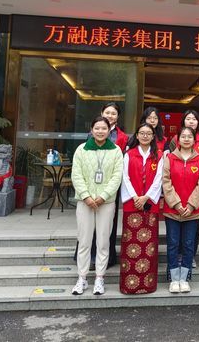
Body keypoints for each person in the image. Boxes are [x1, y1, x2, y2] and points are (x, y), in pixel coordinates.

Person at [70, 117, 123, 296]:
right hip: (85, 202)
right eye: (97, 128)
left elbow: (117, 176)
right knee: (84, 241)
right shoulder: (81, 149)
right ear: (91, 130)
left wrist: (103, 196)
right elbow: (76, 175)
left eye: (104, 128)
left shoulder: (116, 151)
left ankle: (100, 278)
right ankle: (82, 278)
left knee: (103, 241)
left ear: (109, 131)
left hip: (105, 203)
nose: (100, 131)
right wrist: (86, 196)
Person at [74, 102, 128, 270]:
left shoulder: (122, 137)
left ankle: (105, 261)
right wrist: (86, 195)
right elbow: (79, 170)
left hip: (109, 191)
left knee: (106, 230)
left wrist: (105, 194)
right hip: (88, 191)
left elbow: (119, 169)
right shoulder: (88, 140)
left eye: (113, 113)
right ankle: (86, 261)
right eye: (107, 112)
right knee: (85, 231)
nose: (110, 115)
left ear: (118, 117)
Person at [162, 126, 199, 293]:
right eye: (183, 136)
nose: (186, 139)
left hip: (192, 212)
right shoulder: (170, 158)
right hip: (172, 211)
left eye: (189, 136)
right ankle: (174, 279)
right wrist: (176, 203)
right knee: (173, 244)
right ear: (177, 139)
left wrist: (191, 205)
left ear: (194, 140)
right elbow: (166, 182)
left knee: (188, 245)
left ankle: (185, 278)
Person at [119, 123, 163, 294]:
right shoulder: (129, 154)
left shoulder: (158, 155)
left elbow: (159, 179)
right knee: (130, 246)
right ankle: (129, 285)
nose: (145, 136)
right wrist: (135, 197)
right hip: (132, 203)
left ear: (153, 136)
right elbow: (125, 177)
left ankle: (148, 284)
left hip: (149, 204)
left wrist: (146, 197)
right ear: (136, 135)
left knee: (149, 247)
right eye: (142, 133)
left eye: (148, 133)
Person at [168, 110, 199, 268]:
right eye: (188, 118)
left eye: (194, 119)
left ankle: (190, 255)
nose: (191, 121)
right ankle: (178, 255)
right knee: (176, 225)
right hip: (177, 189)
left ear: (198, 122)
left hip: (198, 190)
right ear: (183, 121)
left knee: (194, 223)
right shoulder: (175, 140)